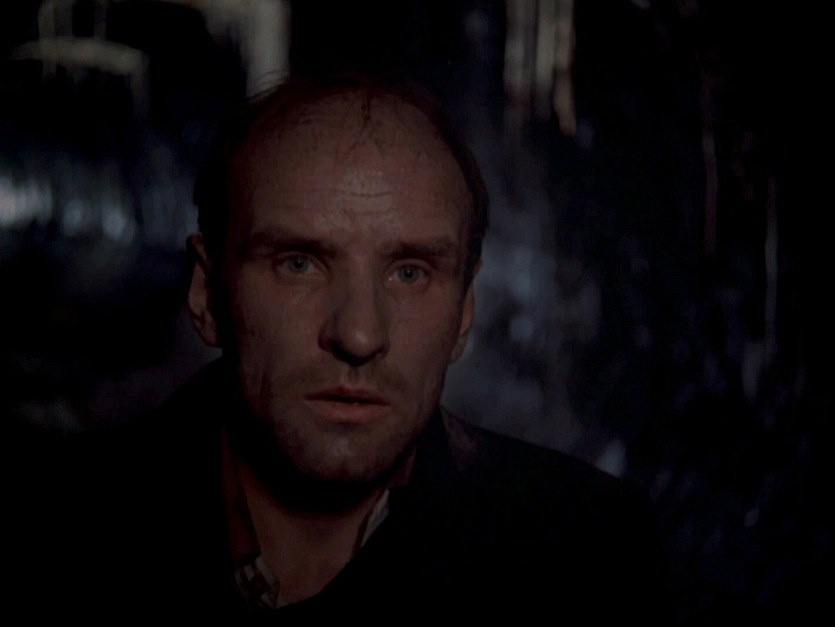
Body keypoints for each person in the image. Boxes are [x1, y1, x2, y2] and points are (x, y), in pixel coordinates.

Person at [13, 73, 666, 621]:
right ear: (208, 295)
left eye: (410, 273)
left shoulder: (587, 553)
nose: (359, 335)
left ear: (464, 313)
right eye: (299, 263)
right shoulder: (52, 535)